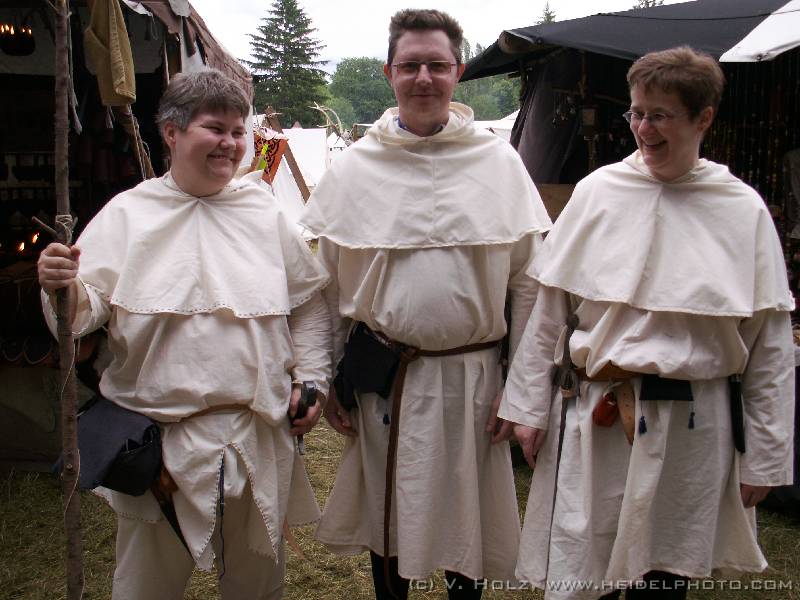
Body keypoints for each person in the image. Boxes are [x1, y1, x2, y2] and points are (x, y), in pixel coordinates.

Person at [500, 46, 795, 600]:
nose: (643, 128)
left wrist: (766, 457)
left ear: (703, 119)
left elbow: (770, 350)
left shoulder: (741, 209)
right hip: (596, 417)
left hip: (692, 429)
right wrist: (526, 409)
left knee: (663, 575)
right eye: (636, 112)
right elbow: (549, 316)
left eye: (660, 115)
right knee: (582, 570)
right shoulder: (597, 192)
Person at [37, 69, 331, 600]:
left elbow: (308, 302)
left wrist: (311, 379)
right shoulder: (128, 215)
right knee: (145, 590)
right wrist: (60, 286)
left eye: (238, 131)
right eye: (215, 128)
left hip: (257, 438)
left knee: (258, 588)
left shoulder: (263, 212)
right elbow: (80, 316)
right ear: (171, 133)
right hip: (160, 450)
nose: (230, 143)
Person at [299, 8, 552, 600]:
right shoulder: (354, 168)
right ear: (389, 71)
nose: (423, 78)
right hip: (387, 380)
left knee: (471, 515)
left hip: (475, 379)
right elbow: (326, 288)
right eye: (410, 65)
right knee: (388, 512)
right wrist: (325, 377)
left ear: (457, 71)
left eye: (437, 65)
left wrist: (522, 389)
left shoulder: (498, 163)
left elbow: (529, 286)